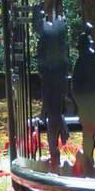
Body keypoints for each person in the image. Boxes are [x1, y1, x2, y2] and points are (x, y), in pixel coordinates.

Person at [35, 11, 70, 169]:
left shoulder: (51, 37)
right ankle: (55, 152)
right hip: (53, 78)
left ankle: (54, 154)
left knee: (54, 116)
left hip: (54, 79)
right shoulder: (54, 39)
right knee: (54, 115)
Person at [71, 31, 95, 172]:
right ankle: (88, 160)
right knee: (89, 135)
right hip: (88, 105)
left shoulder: (91, 61)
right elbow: (75, 86)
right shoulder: (83, 62)